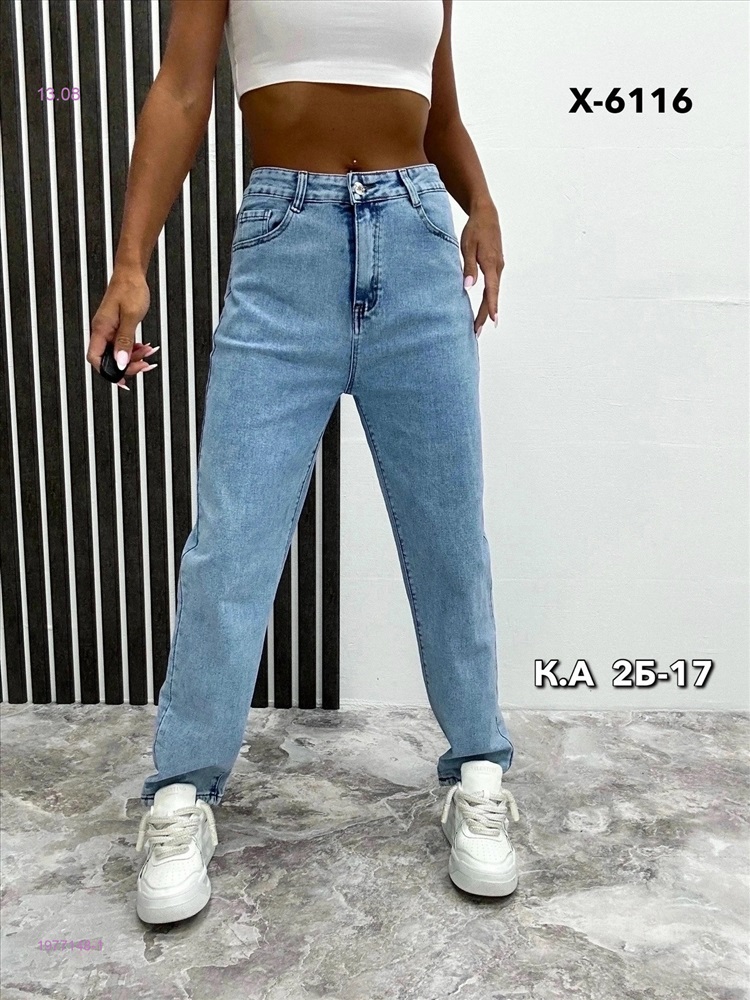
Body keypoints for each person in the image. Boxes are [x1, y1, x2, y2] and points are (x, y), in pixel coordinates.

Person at [87, 0, 520, 923]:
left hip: (416, 241)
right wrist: (130, 263)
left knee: (449, 536)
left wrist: (480, 203)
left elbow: (438, 110)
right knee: (231, 545)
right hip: (286, 244)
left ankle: (478, 771)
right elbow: (181, 90)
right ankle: (183, 790)